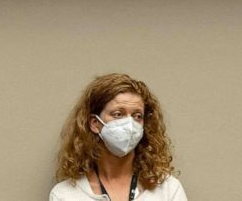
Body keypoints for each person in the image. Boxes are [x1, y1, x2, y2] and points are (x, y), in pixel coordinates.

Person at [49, 73, 187, 201]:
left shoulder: (167, 189)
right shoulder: (65, 195)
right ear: (95, 123)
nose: (130, 124)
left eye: (137, 116)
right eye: (118, 114)